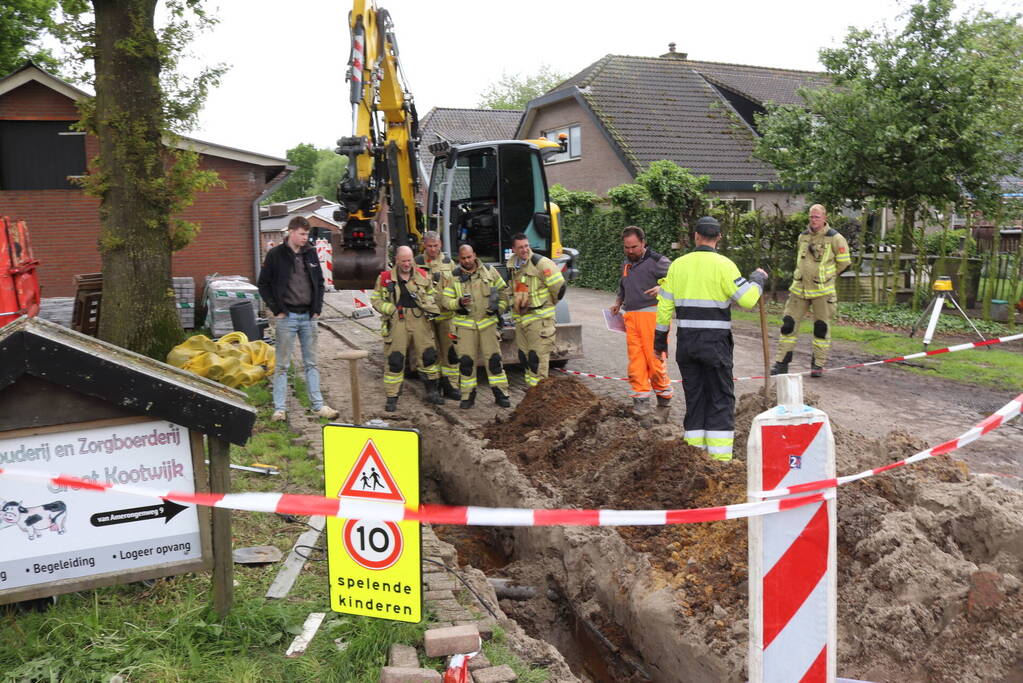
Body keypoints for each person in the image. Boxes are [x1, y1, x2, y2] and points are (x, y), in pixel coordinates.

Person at [654, 216, 767, 461]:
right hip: (715, 345)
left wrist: (660, 340)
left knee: (695, 398)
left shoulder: (678, 265)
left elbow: (664, 306)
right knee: (720, 398)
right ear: (719, 238)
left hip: (687, 344)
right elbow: (748, 300)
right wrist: (757, 280)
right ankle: (719, 462)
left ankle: (693, 457)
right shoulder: (725, 265)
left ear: (696, 236)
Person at [257, 216, 339, 421]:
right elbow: (263, 284)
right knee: (282, 365)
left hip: (308, 317)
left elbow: (319, 282)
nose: (305, 238)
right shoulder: (276, 255)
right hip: (287, 317)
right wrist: (277, 309)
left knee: (311, 363)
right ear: (291, 232)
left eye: (307, 234)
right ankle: (280, 408)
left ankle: (318, 406)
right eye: (302, 234)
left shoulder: (310, 253)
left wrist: (317, 308)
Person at [771, 204, 851, 377]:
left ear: (824, 218)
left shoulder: (835, 238)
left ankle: (818, 365)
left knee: (821, 328)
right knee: (788, 325)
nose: (813, 220)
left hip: (822, 291)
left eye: (817, 217)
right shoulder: (803, 237)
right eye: (811, 217)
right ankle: (781, 363)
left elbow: (844, 263)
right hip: (799, 289)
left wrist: (828, 275)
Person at [370, 245, 444, 412]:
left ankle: (432, 391)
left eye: (409, 260)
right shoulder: (385, 278)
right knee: (395, 360)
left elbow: (433, 294)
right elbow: (375, 300)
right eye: (403, 260)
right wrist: (390, 310)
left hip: (420, 320)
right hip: (398, 320)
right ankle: (392, 397)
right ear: (396, 260)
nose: (407, 264)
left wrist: (428, 304)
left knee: (428, 357)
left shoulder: (422, 275)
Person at [609, 226, 673, 414]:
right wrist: (618, 302)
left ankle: (664, 396)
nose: (630, 251)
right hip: (630, 316)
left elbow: (679, 278)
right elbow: (624, 284)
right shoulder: (626, 263)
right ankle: (641, 400)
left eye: (634, 247)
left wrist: (662, 289)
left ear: (643, 243)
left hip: (652, 316)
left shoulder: (658, 261)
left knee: (654, 360)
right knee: (636, 361)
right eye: (626, 247)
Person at [442, 243, 511, 408]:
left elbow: (504, 293)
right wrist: (458, 302)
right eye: (463, 258)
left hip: (488, 325)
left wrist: (498, 309)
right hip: (465, 327)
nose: (467, 260)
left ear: (474, 255)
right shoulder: (453, 277)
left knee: (494, 361)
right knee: (466, 363)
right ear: (459, 259)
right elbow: (445, 301)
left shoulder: (489, 271)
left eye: (469, 256)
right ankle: (467, 397)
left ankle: (501, 394)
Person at [505, 233, 566, 388]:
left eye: (526, 246)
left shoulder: (541, 263)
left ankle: (540, 396)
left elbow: (559, 288)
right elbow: (513, 290)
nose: (525, 250)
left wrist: (547, 305)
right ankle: (533, 394)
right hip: (522, 320)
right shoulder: (513, 266)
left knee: (537, 361)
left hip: (540, 321)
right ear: (514, 249)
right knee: (526, 360)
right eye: (520, 247)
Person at [415, 231, 459, 399]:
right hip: (426, 317)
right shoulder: (417, 263)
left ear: (440, 244)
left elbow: (457, 286)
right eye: (429, 246)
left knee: (450, 352)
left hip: (446, 316)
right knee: (429, 354)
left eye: (435, 246)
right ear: (424, 246)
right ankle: (432, 388)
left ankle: (450, 386)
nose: (433, 249)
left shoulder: (449, 263)